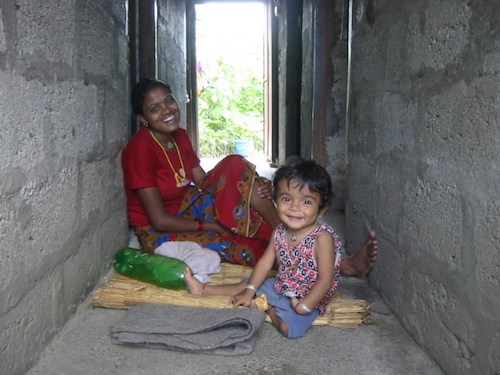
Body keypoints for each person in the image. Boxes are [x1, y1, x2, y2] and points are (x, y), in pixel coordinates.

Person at [122, 78, 378, 274]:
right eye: (154, 108)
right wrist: (211, 225)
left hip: (189, 206)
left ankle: (289, 234)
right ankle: (339, 265)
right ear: (142, 117)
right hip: (160, 229)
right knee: (242, 244)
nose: (167, 110)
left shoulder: (180, 135)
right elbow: (159, 219)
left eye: (169, 100)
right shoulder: (140, 149)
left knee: (240, 177)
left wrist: (248, 186)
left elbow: (203, 182)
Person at [184, 157, 342, 339]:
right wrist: (250, 289)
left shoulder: (322, 237)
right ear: (275, 200)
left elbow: (325, 280)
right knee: (245, 285)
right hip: (283, 284)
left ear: (321, 209)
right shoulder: (279, 232)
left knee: (289, 330)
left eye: (306, 202)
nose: (294, 208)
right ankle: (203, 289)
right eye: (286, 199)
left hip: (310, 294)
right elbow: (265, 264)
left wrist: (304, 306)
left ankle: (266, 306)